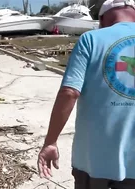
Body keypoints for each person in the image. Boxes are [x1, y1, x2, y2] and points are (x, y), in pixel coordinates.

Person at [37, 0, 135, 188]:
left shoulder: (91, 39)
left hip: (93, 161)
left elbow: (69, 92)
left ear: (103, 19)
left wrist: (51, 141)